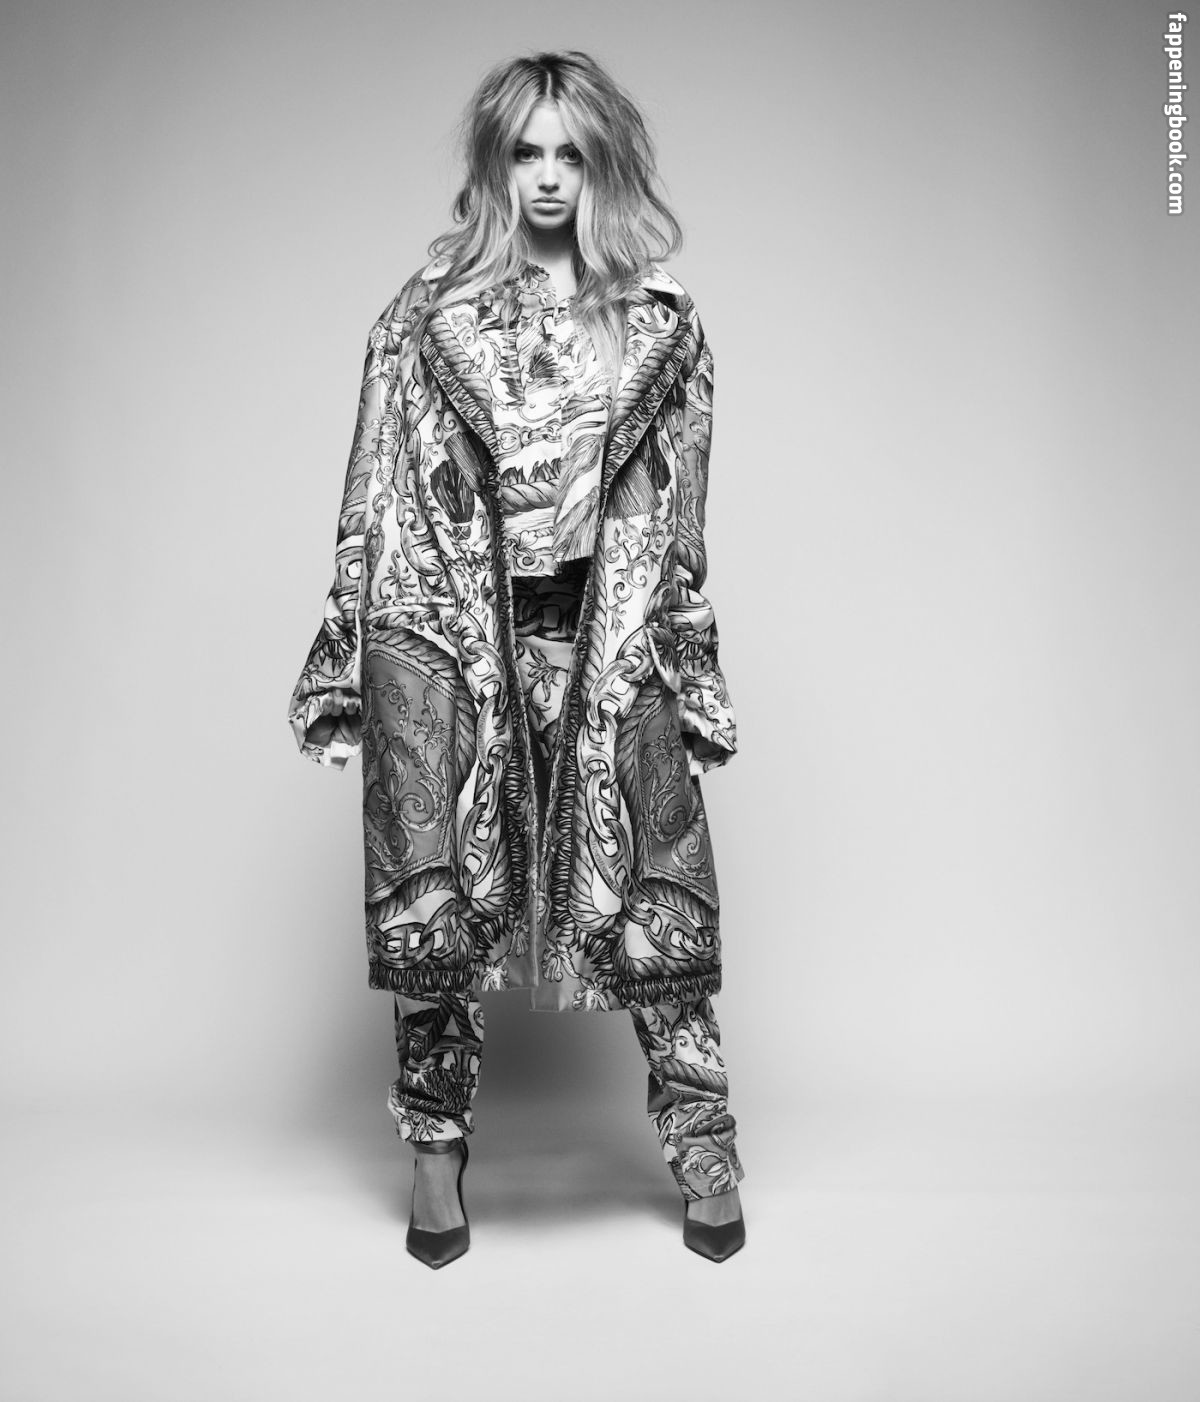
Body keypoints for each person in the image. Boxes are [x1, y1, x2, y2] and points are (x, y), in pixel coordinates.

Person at [286, 50, 745, 1267]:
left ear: (604, 164)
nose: (546, 178)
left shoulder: (662, 319)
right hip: (454, 640)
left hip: (612, 642)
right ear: (495, 165)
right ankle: (434, 1158)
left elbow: (684, 521)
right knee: (435, 902)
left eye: (569, 154)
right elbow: (370, 493)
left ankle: (705, 1149)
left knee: (655, 900)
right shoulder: (426, 314)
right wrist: (344, 660)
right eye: (525, 153)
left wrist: (693, 669)